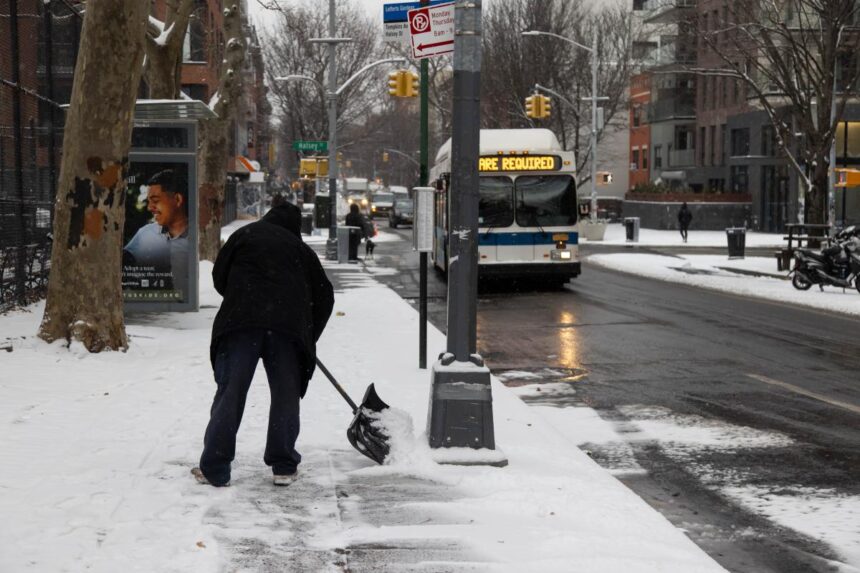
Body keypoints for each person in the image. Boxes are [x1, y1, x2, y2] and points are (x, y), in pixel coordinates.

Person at [192, 200, 334, 487]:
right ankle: (283, 465)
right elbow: (325, 297)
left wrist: (242, 296)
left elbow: (219, 275)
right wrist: (307, 335)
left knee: (231, 392)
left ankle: (215, 468)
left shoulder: (244, 235)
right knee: (285, 395)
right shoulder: (301, 250)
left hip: (240, 324)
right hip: (287, 331)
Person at [123, 169, 190, 295]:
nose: (149, 207)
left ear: (177, 199)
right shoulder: (144, 234)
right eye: (149, 201)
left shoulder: (199, 238)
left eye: (155, 200)